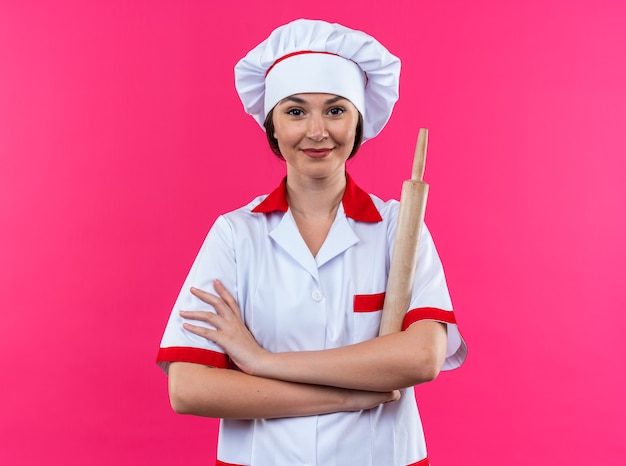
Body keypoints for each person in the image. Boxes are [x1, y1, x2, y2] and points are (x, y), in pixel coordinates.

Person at [157, 18, 467, 466]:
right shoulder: (236, 234)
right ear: (274, 126)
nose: (317, 131)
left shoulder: (398, 226)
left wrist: (262, 361)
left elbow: (422, 357)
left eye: (336, 110)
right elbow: (189, 388)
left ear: (358, 121)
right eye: (296, 111)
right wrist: (346, 396)